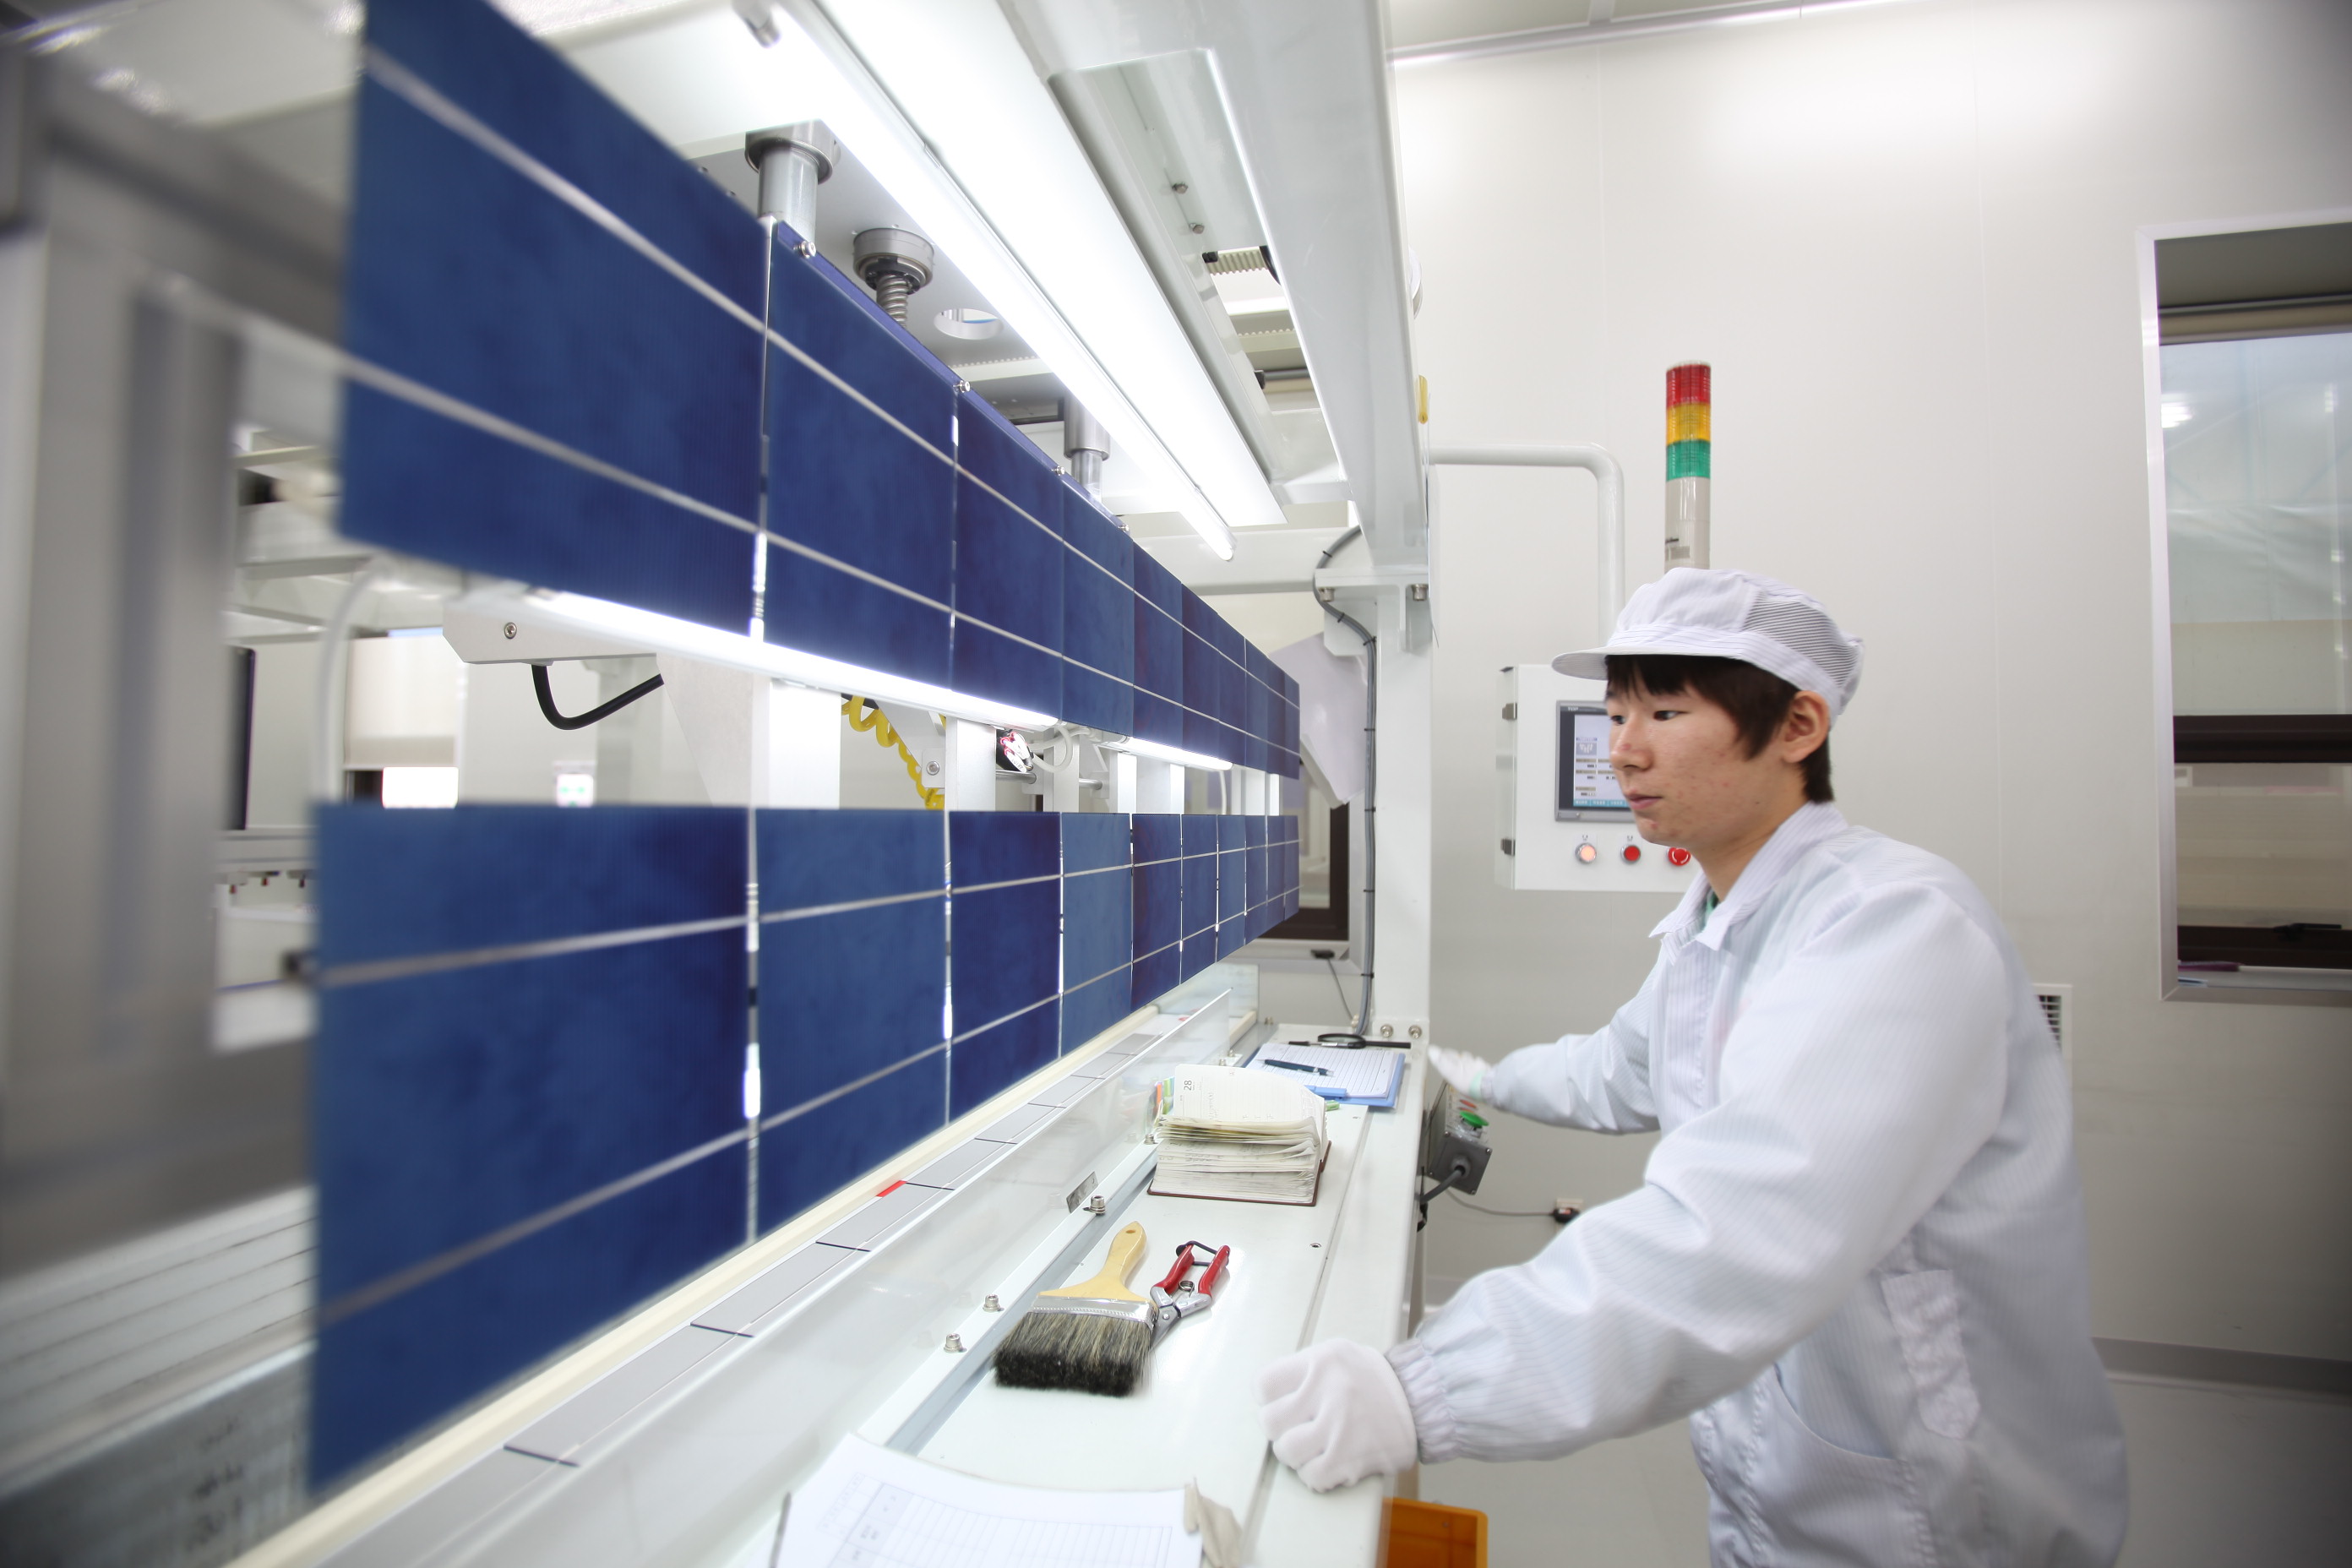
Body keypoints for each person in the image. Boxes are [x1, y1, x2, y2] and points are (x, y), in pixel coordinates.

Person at [1255, 569, 2126, 1565]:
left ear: (1798, 726)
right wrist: (1479, 1077)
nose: (1624, 749)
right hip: (1780, 1485)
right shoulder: (1715, 925)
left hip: (1931, 1512)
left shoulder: (1895, 927)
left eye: (1665, 712)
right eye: (1616, 712)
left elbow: (1735, 1228)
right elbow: (1618, 1067)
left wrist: (1426, 1388)